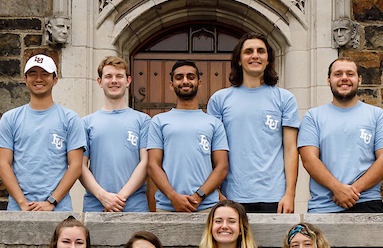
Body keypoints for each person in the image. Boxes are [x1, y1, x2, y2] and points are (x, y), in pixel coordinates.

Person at [206, 33, 299, 213]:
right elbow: (211, 151)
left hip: (275, 197)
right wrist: (216, 192)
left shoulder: (284, 99)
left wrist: (289, 194)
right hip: (231, 196)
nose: (255, 55)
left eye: (260, 51)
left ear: (268, 60)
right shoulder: (220, 99)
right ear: (239, 60)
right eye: (248, 51)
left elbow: (290, 149)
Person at [299, 58, 383, 213]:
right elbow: (309, 159)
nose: (344, 78)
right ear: (329, 80)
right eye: (338, 74)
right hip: (323, 205)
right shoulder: (313, 116)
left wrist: (351, 192)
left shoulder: (377, 115)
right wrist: (337, 189)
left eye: (350, 74)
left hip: (367, 202)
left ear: (359, 80)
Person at [0, 53, 87, 212]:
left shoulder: (70, 118)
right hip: (19, 210)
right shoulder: (10, 118)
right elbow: (3, 165)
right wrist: (23, 203)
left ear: (55, 80)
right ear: (25, 79)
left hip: (59, 209)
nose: (38, 79)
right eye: (33, 74)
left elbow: (76, 165)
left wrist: (51, 202)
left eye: (45, 74)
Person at [147, 60, 229, 212]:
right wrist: (173, 197)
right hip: (168, 206)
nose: (185, 81)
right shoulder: (159, 121)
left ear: (199, 82)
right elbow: (153, 165)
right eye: (179, 77)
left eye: (190, 77)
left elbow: (222, 166)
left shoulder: (214, 123)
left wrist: (199, 195)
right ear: (172, 84)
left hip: (206, 206)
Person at [81, 57, 151, 213]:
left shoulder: (143, 120)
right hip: (96, 206)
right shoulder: (86, 123)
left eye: (119, 76)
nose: (114, 81)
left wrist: (120, 198)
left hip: (134, 206)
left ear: (128, 81)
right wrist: (103, 196)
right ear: (100, 82)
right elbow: (80, 166)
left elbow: (146, 163)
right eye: (108, 76)